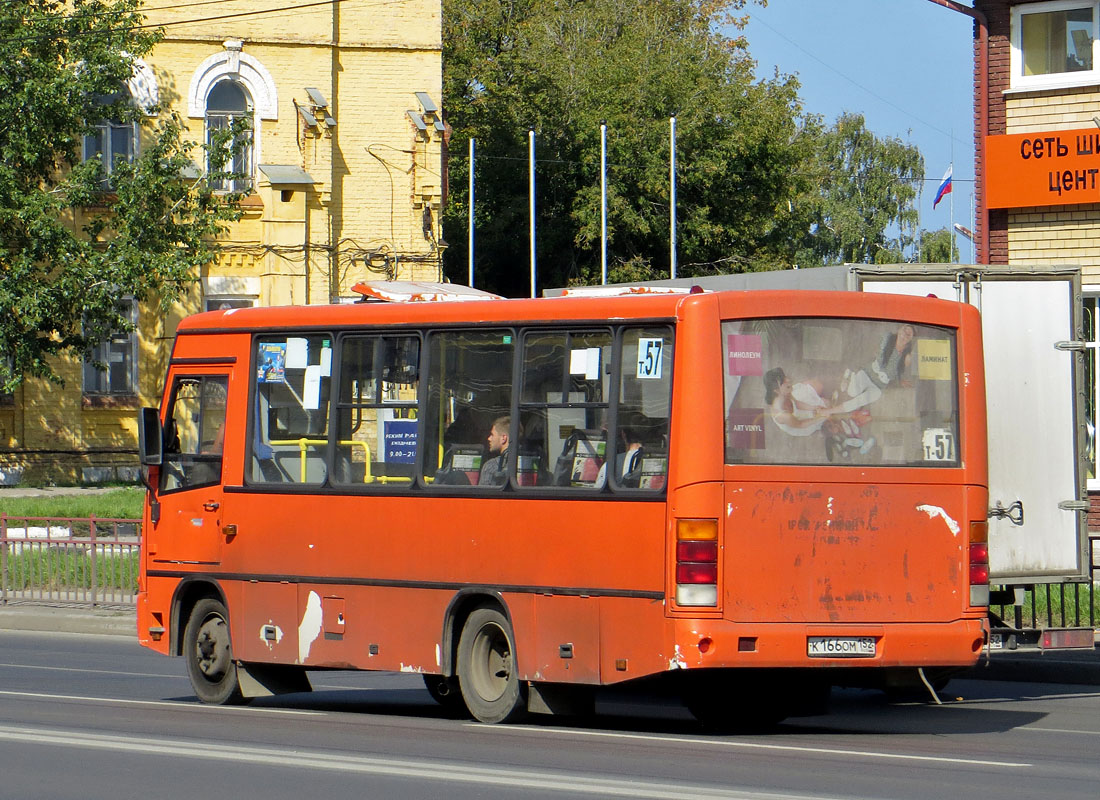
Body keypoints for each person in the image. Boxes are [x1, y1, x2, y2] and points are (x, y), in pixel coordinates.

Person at [478, 415, 514, 486]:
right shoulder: (529, 463)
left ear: (503, 438)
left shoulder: (491, 466)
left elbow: (483, 495)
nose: (489, 438)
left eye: (492, 435)